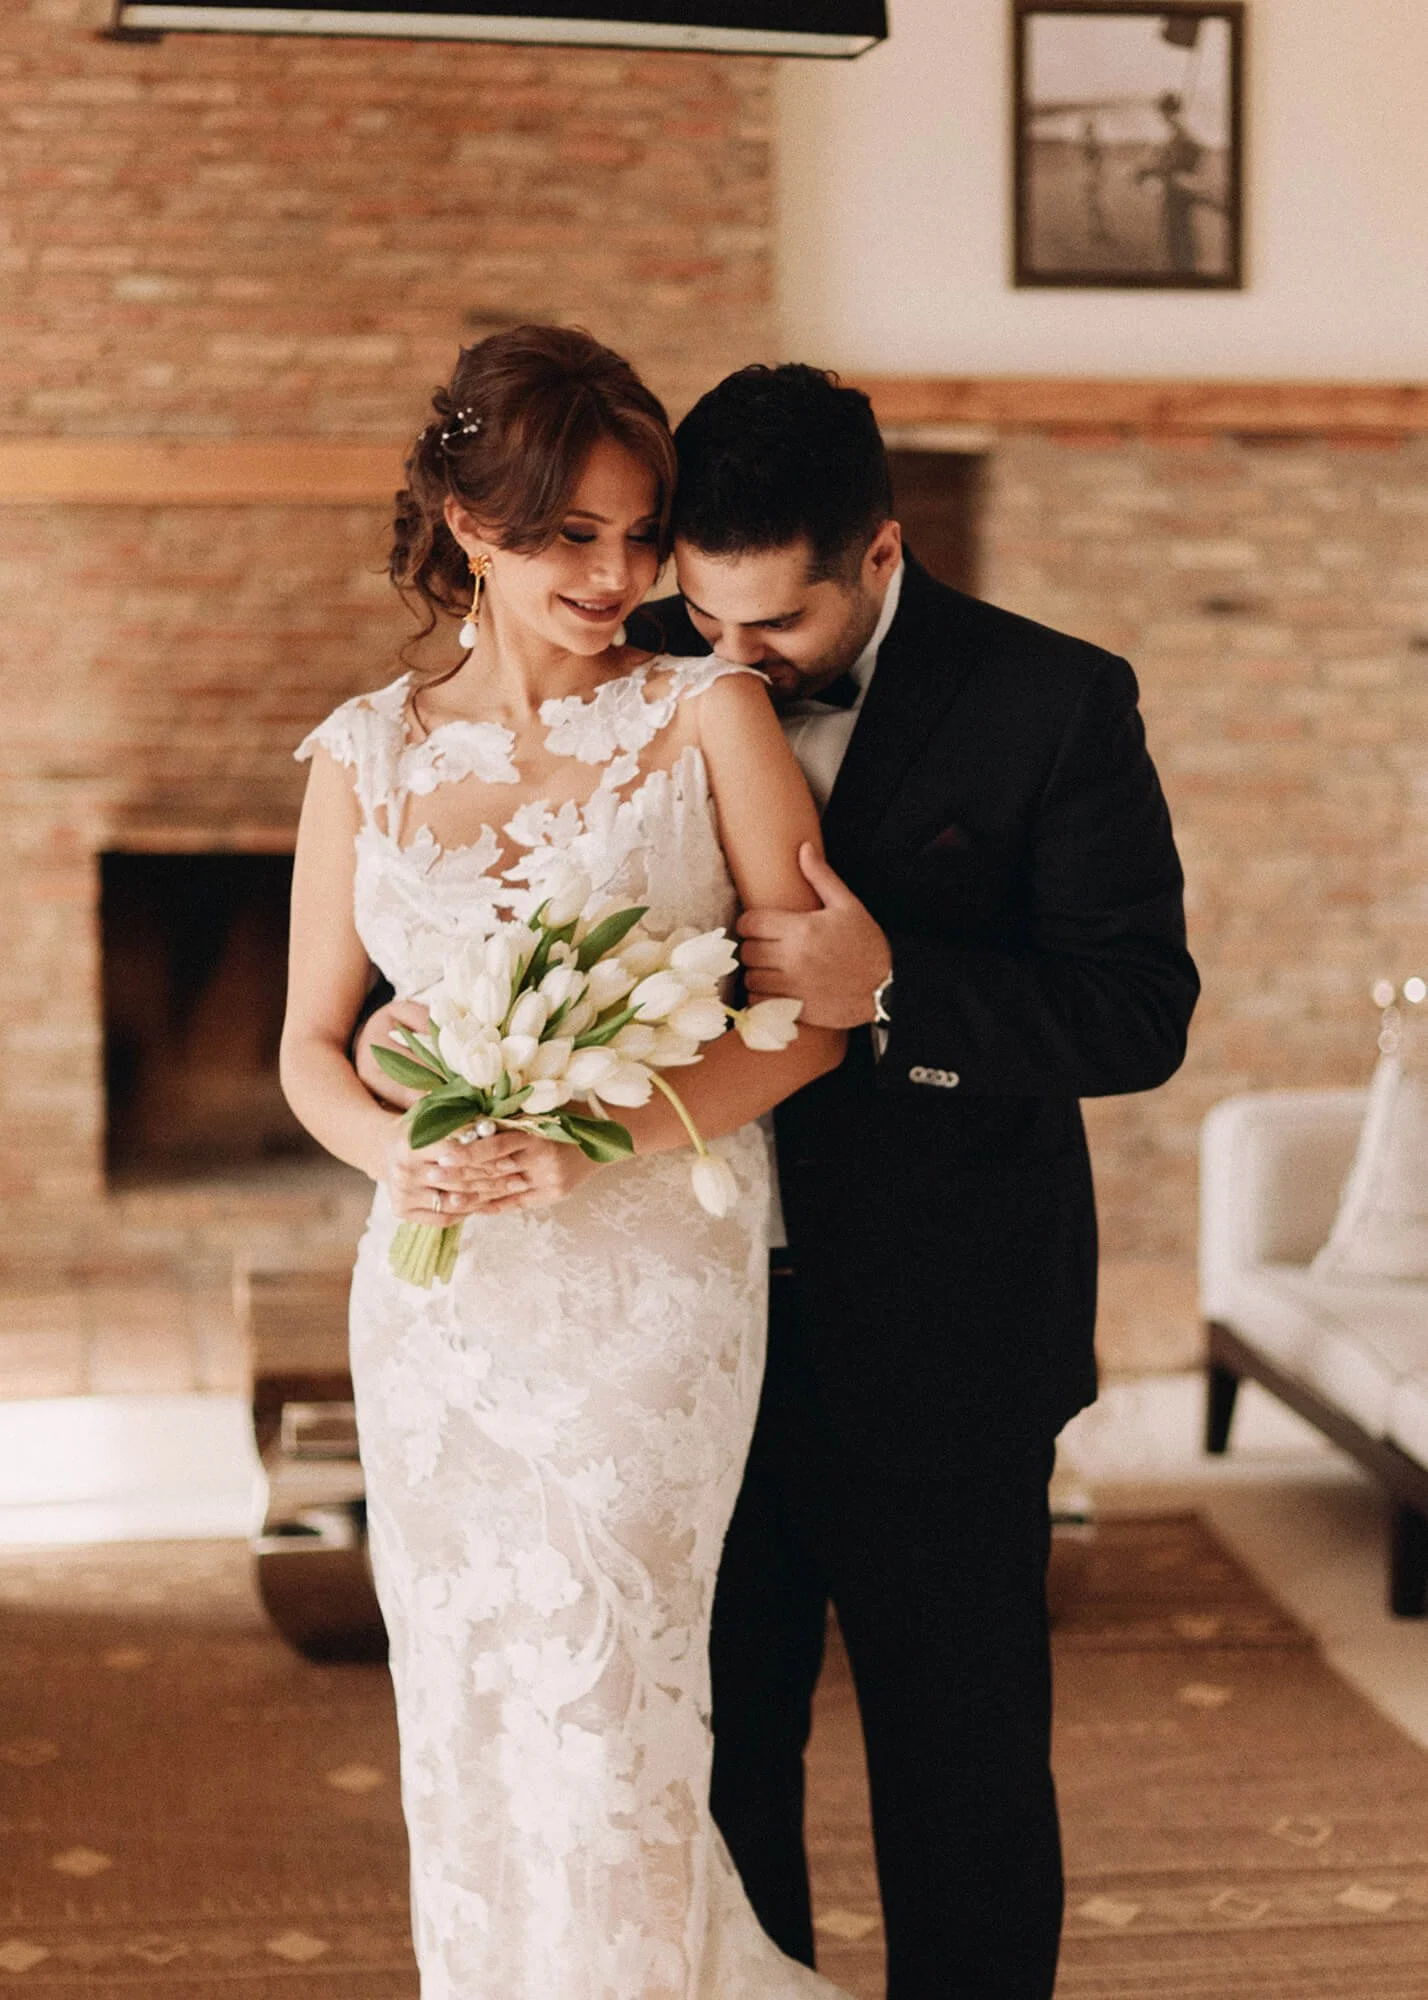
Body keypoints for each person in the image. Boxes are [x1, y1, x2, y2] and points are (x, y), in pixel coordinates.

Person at [357, 362, 1199, 1998]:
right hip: (673, 1339)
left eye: (776, 631)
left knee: (960, 1783)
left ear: (880, 555)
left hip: (944, 1333)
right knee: (709, 1776)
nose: (727, 662)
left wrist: (894, 988)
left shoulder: (1056, 701)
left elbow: (1138, 1013)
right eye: (701, 612)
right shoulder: (644, 681)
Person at [279, 325, 856, 1999]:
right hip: (437, 1301)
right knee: (461, 1696)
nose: (619, 576)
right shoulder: (362, 754)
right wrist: (399, 1153)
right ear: (472, 526)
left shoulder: (707, 712)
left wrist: (594, 1137)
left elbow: (808, 1019)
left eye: (638, 530)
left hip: (648, 1280)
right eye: (570, 538)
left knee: (619, 1694)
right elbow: (314, 1046)